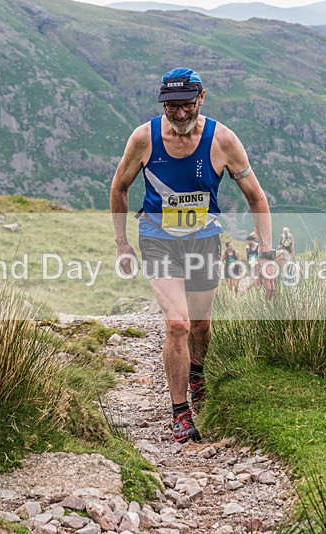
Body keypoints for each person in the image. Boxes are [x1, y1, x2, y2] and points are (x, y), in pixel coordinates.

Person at [110, 67, 276, 443]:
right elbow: (119, 187)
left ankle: (197, 375)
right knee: (179, 325)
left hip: (203, 242)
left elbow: (257, 197)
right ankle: (180, 411)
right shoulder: (144, 139)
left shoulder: (223, 140)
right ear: (162, 105)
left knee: (201, 326)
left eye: (186, 105)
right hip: (158, 240)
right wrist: (122, 243)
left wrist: (265, 253)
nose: (180, 114)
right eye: (171, 108)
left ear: (201, 99)